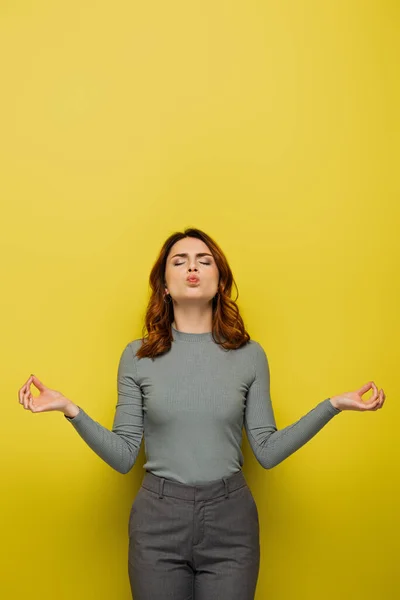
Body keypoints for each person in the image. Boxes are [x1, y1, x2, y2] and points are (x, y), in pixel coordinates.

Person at [18, 227, 386, 600]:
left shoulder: (250, 355)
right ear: (164, 284)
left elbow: (267, 450)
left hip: (231, 523)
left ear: (220, 281)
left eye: (203, 260)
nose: (192, 267)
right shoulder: (137, 357)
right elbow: (124, 455)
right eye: (180, 261)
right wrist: (70, 409)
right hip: (157, 523)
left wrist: (332, 406)